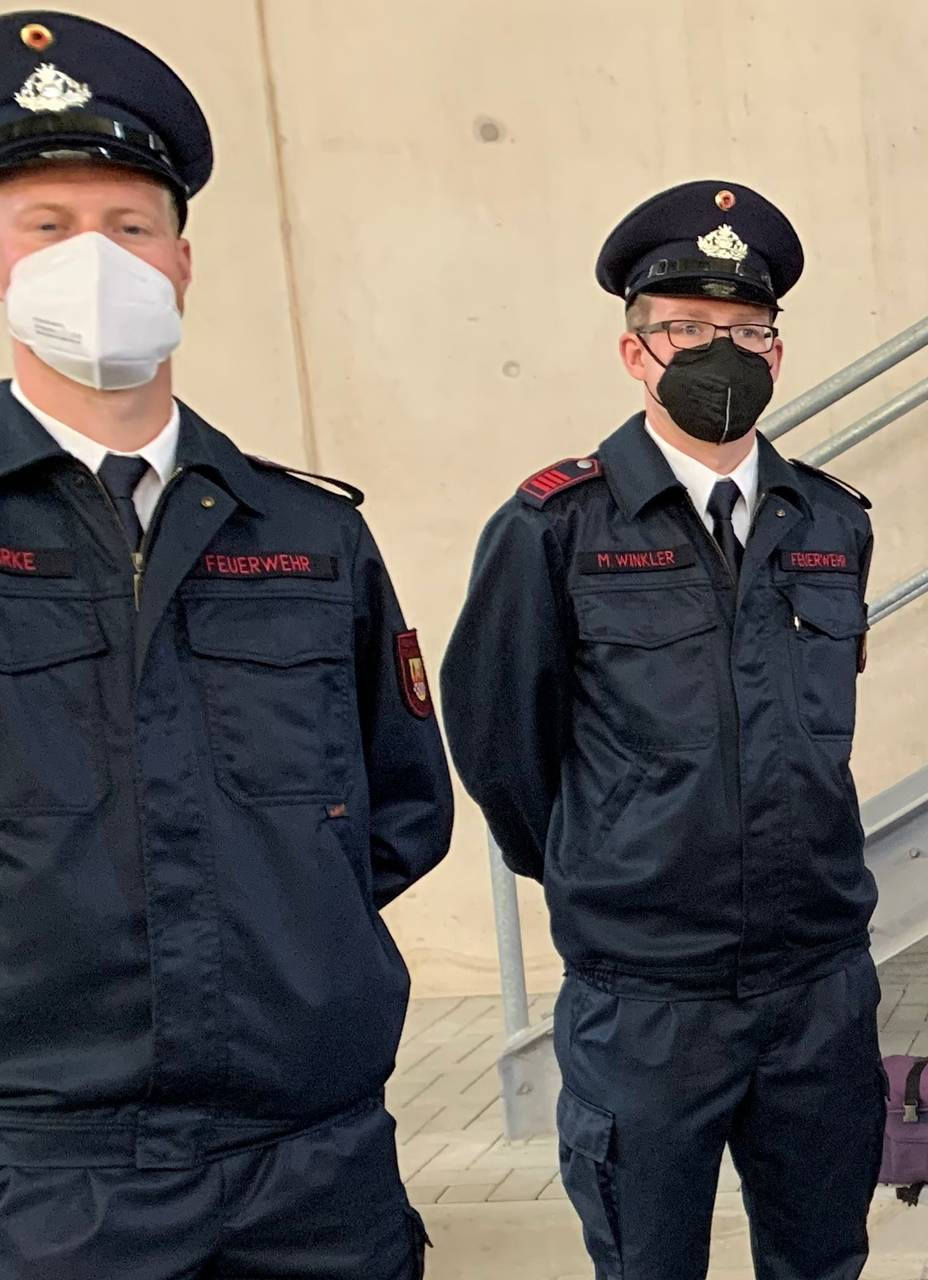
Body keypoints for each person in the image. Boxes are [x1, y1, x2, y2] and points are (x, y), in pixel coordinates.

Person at [0, 12, 452, 1276]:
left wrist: (291, 935)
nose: (96, 257)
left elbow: (401, 806)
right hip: (47, 1168)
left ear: (183, 264)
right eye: (48, 224)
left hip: (310, 1156)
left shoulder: (308, 531)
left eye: (131, 226)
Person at [444, 181, 885, 1280]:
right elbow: (501, 743)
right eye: (687, 329)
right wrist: (608, 862)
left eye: (743, 331)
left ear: (776, 356)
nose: (718, 351)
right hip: (647, 996)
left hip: (816, 982)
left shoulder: (832, 520)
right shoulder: (555, 526)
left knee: (823, 1256)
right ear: (635, 353)